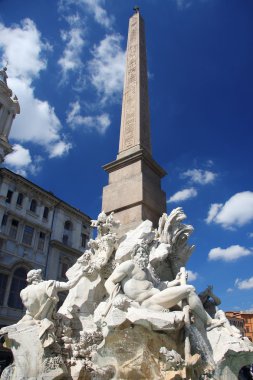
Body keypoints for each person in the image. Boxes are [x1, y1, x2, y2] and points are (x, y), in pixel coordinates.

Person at [105, 245, 221, 327]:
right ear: (133, 255)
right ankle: (209, 322)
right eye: (139, 252)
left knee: (189, 304)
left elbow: (160, 286)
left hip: (158, 299)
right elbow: (109, 282)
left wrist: (176, 281)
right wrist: (117, 297)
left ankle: (205, 325)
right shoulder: (129, 266)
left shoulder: (147, 272)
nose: (142, 255)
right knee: (189, 290)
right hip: (147, 303)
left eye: (144, 252)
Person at [19, 268, 86, 347]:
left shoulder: (23, 292)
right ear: (38, 276)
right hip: (48, 322)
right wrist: (82, 272)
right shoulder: (49, 284)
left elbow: (30, 311)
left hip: (32, 321)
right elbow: (69, 285)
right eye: (40, 274)